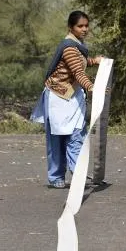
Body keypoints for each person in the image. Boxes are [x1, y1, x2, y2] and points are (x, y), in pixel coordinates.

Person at [31, 11, 103, 188]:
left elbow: (81, 64)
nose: (85, 29)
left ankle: (77, 173)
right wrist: (92, 87)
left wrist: (94, 61)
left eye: (86, 25)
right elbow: (78, 72)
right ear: (71, 27)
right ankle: (56, 177)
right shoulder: (70, 47)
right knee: (56, 138)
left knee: (76, 135)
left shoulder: (77, 46)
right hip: (58, 97)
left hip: (73, 97)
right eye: (80, 26)